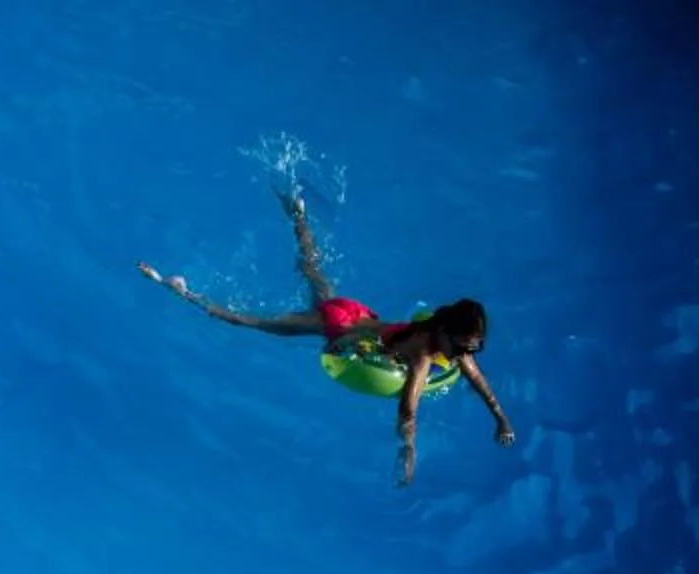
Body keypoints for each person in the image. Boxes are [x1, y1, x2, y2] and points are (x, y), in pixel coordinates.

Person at [141, 188, 514, 484]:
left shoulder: (441, 332)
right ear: (447, 334)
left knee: (313, 271)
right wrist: (409, 450)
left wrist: (501, 419)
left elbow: (478, 380)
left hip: (358, 311)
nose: (467, 355)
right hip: (341, 327)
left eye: (471, 349)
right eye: (465, 347)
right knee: (255, 322)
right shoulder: (422, 356)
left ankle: (299, 215)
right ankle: (181, 290)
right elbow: (408, 408)